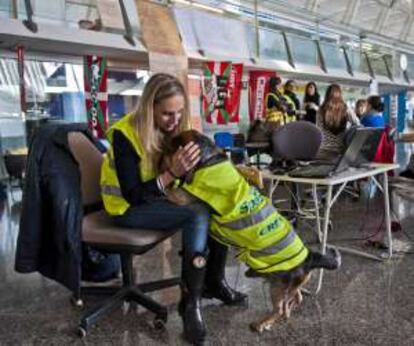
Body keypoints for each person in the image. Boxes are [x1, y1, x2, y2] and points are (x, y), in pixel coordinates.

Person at [100, 73, 247, 344]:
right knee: (197, 214)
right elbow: (133, 195)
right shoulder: (124, 134)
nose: (175, 120)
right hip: (126, 208)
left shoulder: (176, 127)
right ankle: (190, 305)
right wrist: (171, 174)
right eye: (168, 114)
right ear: (150, 107)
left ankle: (214, 282)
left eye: (180, 112)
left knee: (214, 206)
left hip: (157, 198)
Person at [316, 83, 360, 159]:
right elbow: (358, 124)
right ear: (340, 95)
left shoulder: (320, 110)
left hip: (322, 151)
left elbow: (319, 130)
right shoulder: (346, 109)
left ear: (327, 95)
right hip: (339, 153)